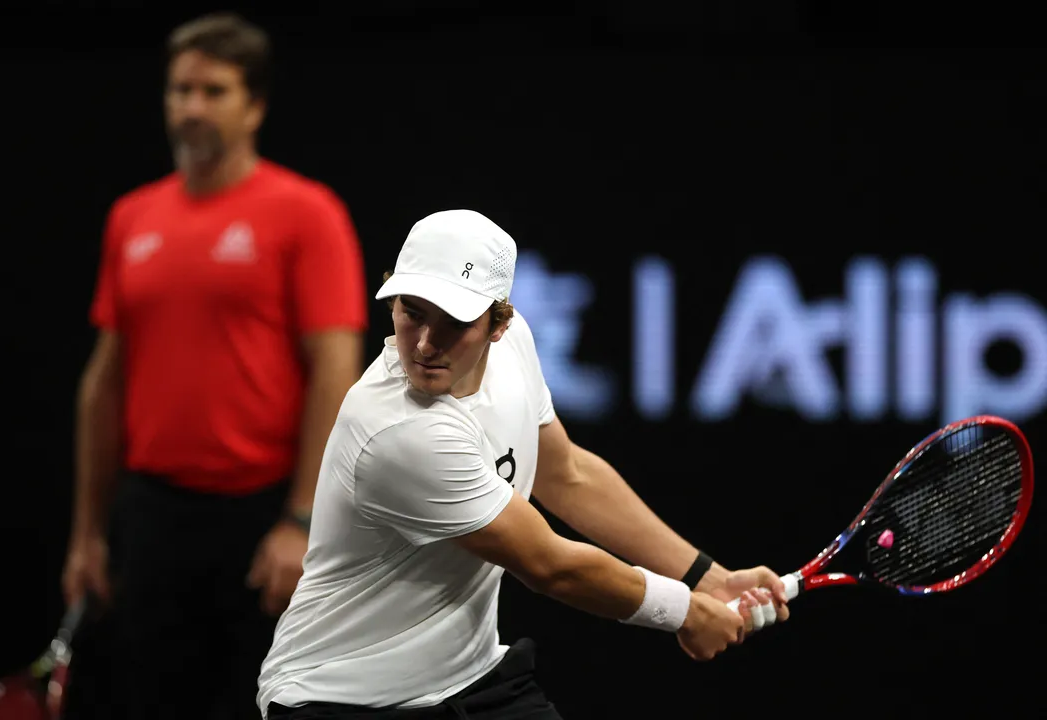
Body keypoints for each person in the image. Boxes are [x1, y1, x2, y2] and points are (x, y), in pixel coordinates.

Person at [256, 209, 790, 720]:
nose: (424, 344)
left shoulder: (515, 352)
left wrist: (707, 578)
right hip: (340, 698)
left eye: (455, 322)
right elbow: (549, 565)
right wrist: (686, 611)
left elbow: (568, 475)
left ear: (498, 322)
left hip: (471, 681)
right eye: (411, 312)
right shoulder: (399, 431)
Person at [60, 12, 368, 720]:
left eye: (213, 91)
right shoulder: (132, 218)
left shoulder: (306, 213)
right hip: (153, 518)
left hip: (262, 521)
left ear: (254, 105)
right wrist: (87, 531)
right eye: (179, 90)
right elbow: (103, 383)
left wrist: (301, 519)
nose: (191, 107)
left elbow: (335, 373)